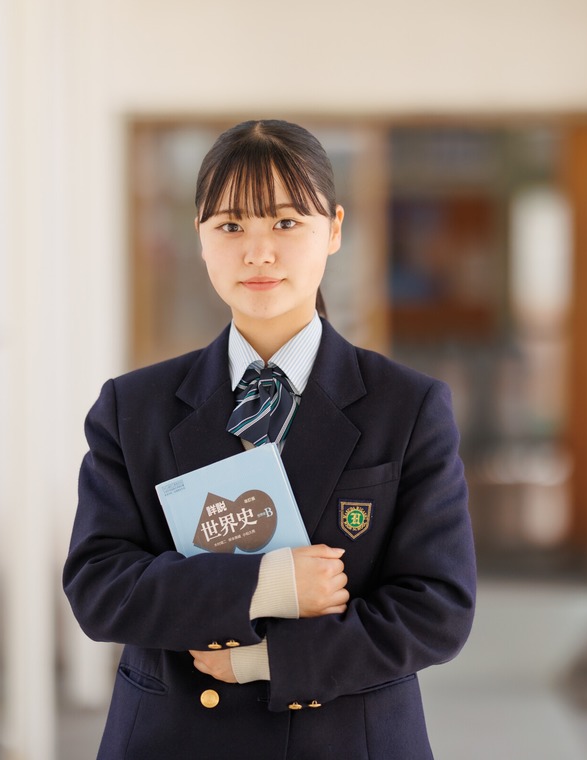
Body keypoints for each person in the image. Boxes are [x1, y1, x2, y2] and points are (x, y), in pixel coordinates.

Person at [63, 119, 477, 759]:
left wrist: (270, 661)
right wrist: (267, 584)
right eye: (230, 226)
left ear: (334, 229)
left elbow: (438, 607)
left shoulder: (410, 407)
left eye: (286, 223)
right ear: (199, 236)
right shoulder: (131, 407)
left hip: (345, 739)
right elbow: (100, 587)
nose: (258, 253)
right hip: (174, 738)